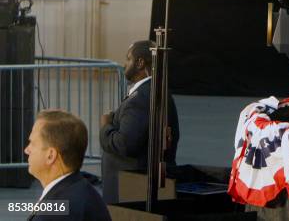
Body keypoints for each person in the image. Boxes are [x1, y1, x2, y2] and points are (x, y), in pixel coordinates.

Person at [99, 40, 180, 204]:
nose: (124, 64)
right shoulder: (158, 90)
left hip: (130, 189)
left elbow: (125, 144)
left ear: (140, 62)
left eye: (128, 59)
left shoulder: (141, 98)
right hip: (143, 184)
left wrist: (106, 126)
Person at [24, 109, 111, 221]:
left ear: (50, 156)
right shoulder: (81, 189)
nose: (27, 150)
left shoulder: (55, 214)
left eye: (32, 143)